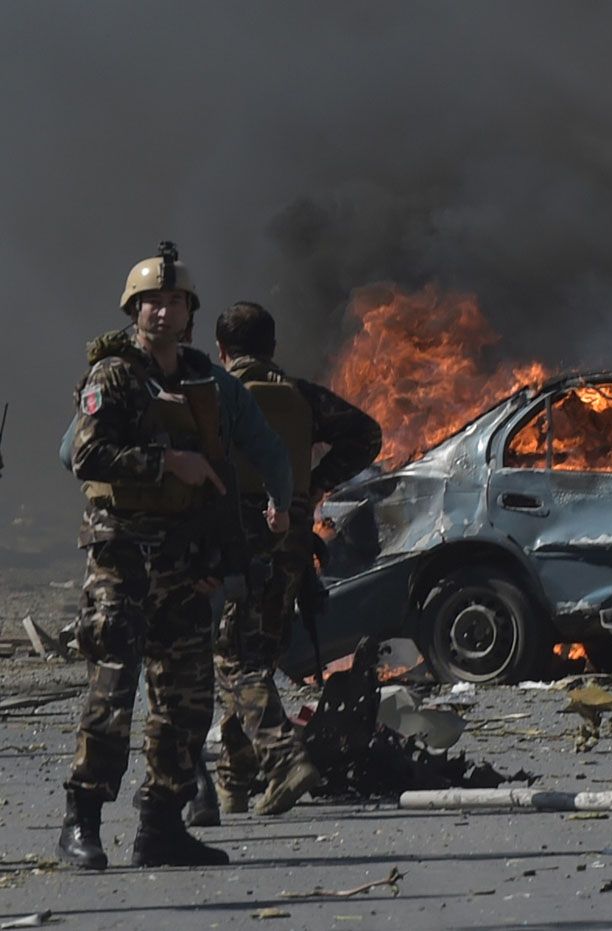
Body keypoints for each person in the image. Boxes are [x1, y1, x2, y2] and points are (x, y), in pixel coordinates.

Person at [57, 243, 292, 871]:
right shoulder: (114, 375)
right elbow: (85, 456)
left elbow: (228, 466)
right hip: (123, 555)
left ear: (190, 314)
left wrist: (221, 550)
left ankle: (161, 825)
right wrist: (166, 463)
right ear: (134, 309)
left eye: (175, 302)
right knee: (113, 688)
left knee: (187, 699)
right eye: (151, 302)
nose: (163, 311)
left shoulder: (202, 381)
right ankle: (82, 820)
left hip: (185, 562)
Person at [211, 301, 382, 817]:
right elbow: (367, 435)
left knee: (235, 660)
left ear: (221, 350)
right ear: (273, 347)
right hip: (288, 544)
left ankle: (285, 761)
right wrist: (314, 485)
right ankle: (234, 781)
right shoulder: (300, 396)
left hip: (232, 544)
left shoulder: (214, 394)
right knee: (255, 658)